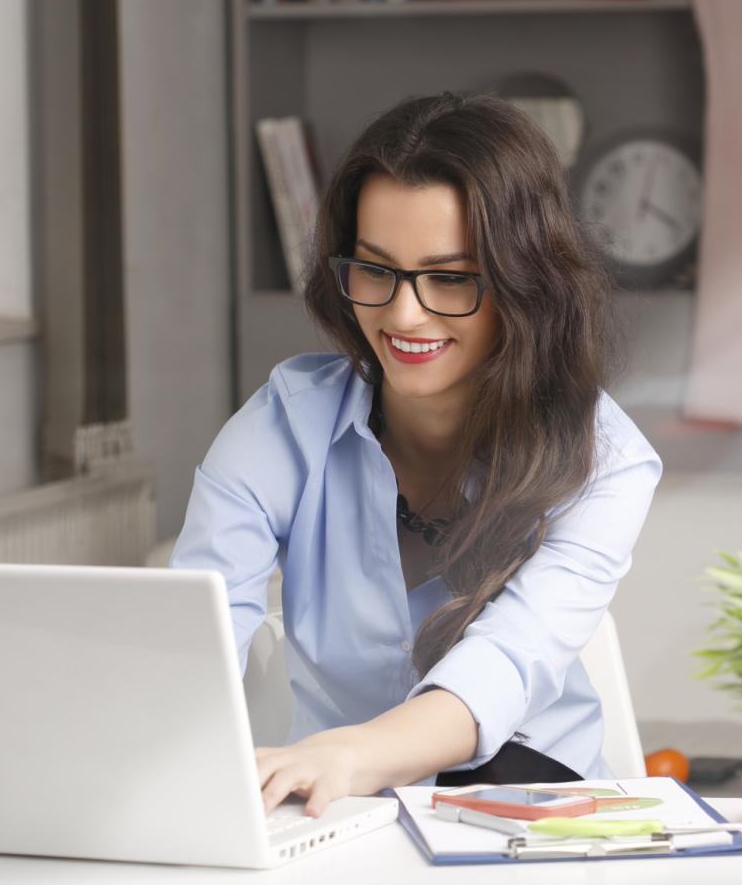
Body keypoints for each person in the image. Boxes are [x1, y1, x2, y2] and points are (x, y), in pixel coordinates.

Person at [171, 91, 663, 818]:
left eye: (450, 279)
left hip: (527, 820)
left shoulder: (607, 459)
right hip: (333, 820)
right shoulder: (282, 425)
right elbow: (197, 637)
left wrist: (352, 751)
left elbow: (504, 664)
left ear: (526, 286)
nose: (403, 315)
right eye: (376, 270)